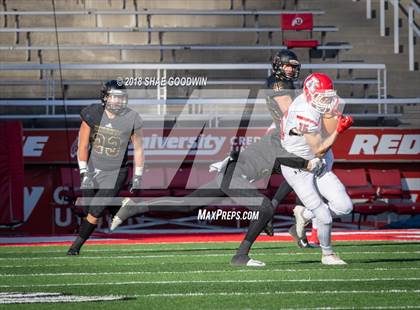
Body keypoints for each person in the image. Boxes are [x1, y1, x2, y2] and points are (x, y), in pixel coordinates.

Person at [279, 73, 354, 265]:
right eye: (322, 96)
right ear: (310, 93)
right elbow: (319, 148)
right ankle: (327, 254)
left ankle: (303, 214)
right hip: (298, 166)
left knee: (345, 207)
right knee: (324, 216)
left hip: (317, 161)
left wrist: (333, 120)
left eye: (328, 95)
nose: (327, 100)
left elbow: (322, 147)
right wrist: (339, 130)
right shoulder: (303, 111)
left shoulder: (313, 103)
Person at [67, 80, 145, 255]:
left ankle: (75, 247)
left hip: (117, 170)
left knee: (95, 209)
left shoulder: (131, 118)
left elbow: (139, 148)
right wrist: (83, 171)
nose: (118, 101)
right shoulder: (92, 113)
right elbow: (83, 145)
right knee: (89, 209)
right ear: (105, 97)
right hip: (93, 168)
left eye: (122, 97)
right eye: (115, 97)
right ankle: (122, 207)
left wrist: (138, 174)